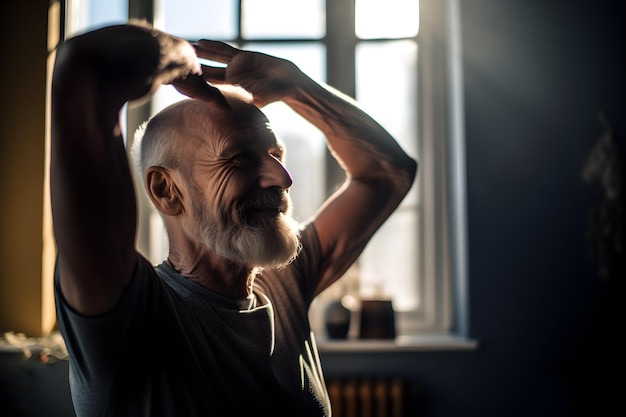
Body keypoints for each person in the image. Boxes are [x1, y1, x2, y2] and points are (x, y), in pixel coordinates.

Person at [51, 21, 417, 417]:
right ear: (166, 191)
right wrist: (182, 62)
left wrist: (299, 88)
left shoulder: (284, 284)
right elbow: (84, 64)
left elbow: (389, 173)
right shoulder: (132, 315)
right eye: (240, 158)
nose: (283, 178)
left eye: (276, 155)